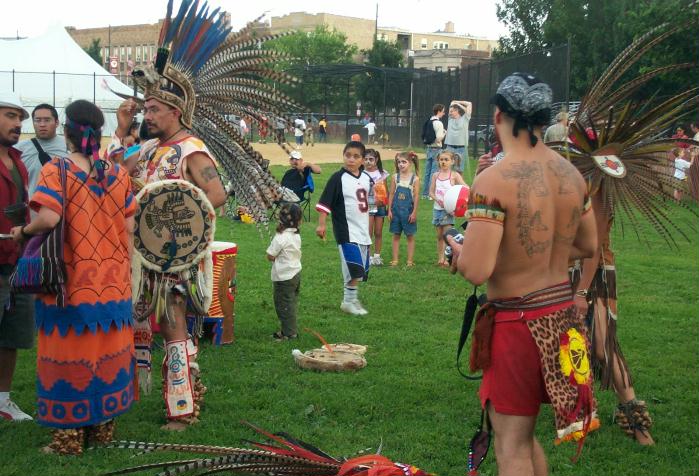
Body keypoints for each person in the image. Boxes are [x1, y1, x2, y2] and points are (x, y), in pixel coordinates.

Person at [447, 73, 598, 476]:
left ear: (498, 116)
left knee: (510, 446)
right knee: (525, 437)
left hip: (518, 325)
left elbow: (477, 270)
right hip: (562, 321)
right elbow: (587, 246)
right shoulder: (572, 175)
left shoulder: (493, 179)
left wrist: (458, 251)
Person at [10, 99, 136, 454]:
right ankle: (101, 431)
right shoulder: (118, 174)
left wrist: (23, 231)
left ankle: (68, 439)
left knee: (68, 357)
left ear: (67, 131)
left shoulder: (57, 171)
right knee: (108, 355)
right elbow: (129, 226)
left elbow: (48, 220)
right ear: (99, 132)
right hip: (114, 282)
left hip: (71, 282)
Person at [0, 92, 34, 422]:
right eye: (10, 115)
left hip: (17, 262)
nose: (18, 123)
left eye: (19, 118)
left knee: (11, 335)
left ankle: (3, 400)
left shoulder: (18, 160)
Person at [315, 141, 372, 316]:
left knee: (361, 269)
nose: (351, 159)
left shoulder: (366, 178)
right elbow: (325, 203)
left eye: (356, 156)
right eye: (348, 155)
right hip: (346, 231)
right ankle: (347, 302)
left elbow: (369, 203)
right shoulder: (337, 178)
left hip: (363, 231)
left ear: (362, 160)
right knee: (353, 267)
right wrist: (322, 224)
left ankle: (353, 299)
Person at [266, 202, 303, 341]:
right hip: (295, 274)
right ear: (299, 220)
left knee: (283, 306)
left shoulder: (280, 238)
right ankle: (288, 330)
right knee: (290, 302)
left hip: (284, 277)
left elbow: (270, 255)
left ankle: (289, 333)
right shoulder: (296, 236)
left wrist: (274, 257)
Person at [16, 104, 68, 200]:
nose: (42, 124)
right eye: (38, 120)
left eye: (47, 120)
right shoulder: (19, 149)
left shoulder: (69, 146)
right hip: (30, 209)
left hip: (61, 208)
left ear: (56, 123)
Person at [429, 150, 466, 267]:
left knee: (448, 235)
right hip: (437, 209)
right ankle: (440, 258)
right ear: (438, 161)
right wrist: (437, 199)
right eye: (441, 160)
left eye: (446, 160)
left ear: (452, 162)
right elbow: (431, 192)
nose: (443, 162)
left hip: (448, 210)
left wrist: (457, 200)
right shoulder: (435, 175)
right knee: (439, 235)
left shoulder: (454, 175)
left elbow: (465, 187)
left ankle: (449, 258)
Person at [388, 151, 420, 267]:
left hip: (408, 213)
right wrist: (389, 210)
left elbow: (416, 197)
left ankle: (410, 261)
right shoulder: (395, 177)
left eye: (404, 162)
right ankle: (395, 259)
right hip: (395, 212)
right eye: (399, 162)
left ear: (410, 163)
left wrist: (414, 212)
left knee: (410, 236)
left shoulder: (415, 179)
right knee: (396, 235)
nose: (401, 164)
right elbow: (391, 194)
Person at [364, 149, 389, 266]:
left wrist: (387, 205)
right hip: (368, 204)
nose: (368, 162)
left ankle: (377, 256)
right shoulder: (361, 173)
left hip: (380, 205)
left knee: (378, 232)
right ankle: (367, 256)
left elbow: (386, 190)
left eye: (371, 159)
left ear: (376, 160)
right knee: (368, 232)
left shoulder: (382, 173)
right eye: (366, 159)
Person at [421, 104, 446, 198]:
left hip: (429, 148)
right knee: (434, 172)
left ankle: (425, 193)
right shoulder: (439, 123)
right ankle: (431, 194)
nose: (444, 113)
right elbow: (439, 139)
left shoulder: (429, 121)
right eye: (443, 111)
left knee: (427, 172)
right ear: (439, 111)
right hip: (436, 149)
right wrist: (444, 133)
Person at [444, 100, 472, 176]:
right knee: (446, 167)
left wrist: (458, 103)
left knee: (458, 170)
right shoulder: (450, 119)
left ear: (457, 111)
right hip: (449, 147)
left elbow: (469, 104)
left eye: (452, 111)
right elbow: (451, 103)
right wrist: (454, 103)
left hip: (461, 148)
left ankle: (458, 187)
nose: (449, 113)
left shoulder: (465, 118)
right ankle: (448, 185)